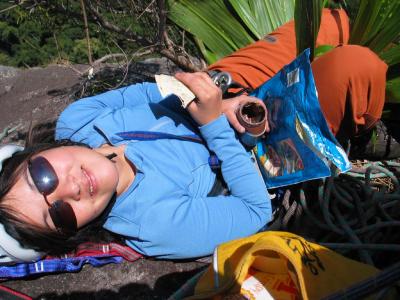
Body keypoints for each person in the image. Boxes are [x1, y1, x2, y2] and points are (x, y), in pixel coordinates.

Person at [0, 8, 395, 263]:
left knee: (333, 21)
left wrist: (212, 97)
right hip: (266, 142)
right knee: (355, 68)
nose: (68, 189)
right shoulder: (152, 226)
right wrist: (214, 125)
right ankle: (361, 130)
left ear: (36, 153)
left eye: (43, 177)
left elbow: (148, 91)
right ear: (75, 233)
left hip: (219, 88)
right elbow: (254, 211)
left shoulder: (77, 122)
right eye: (60, 215)